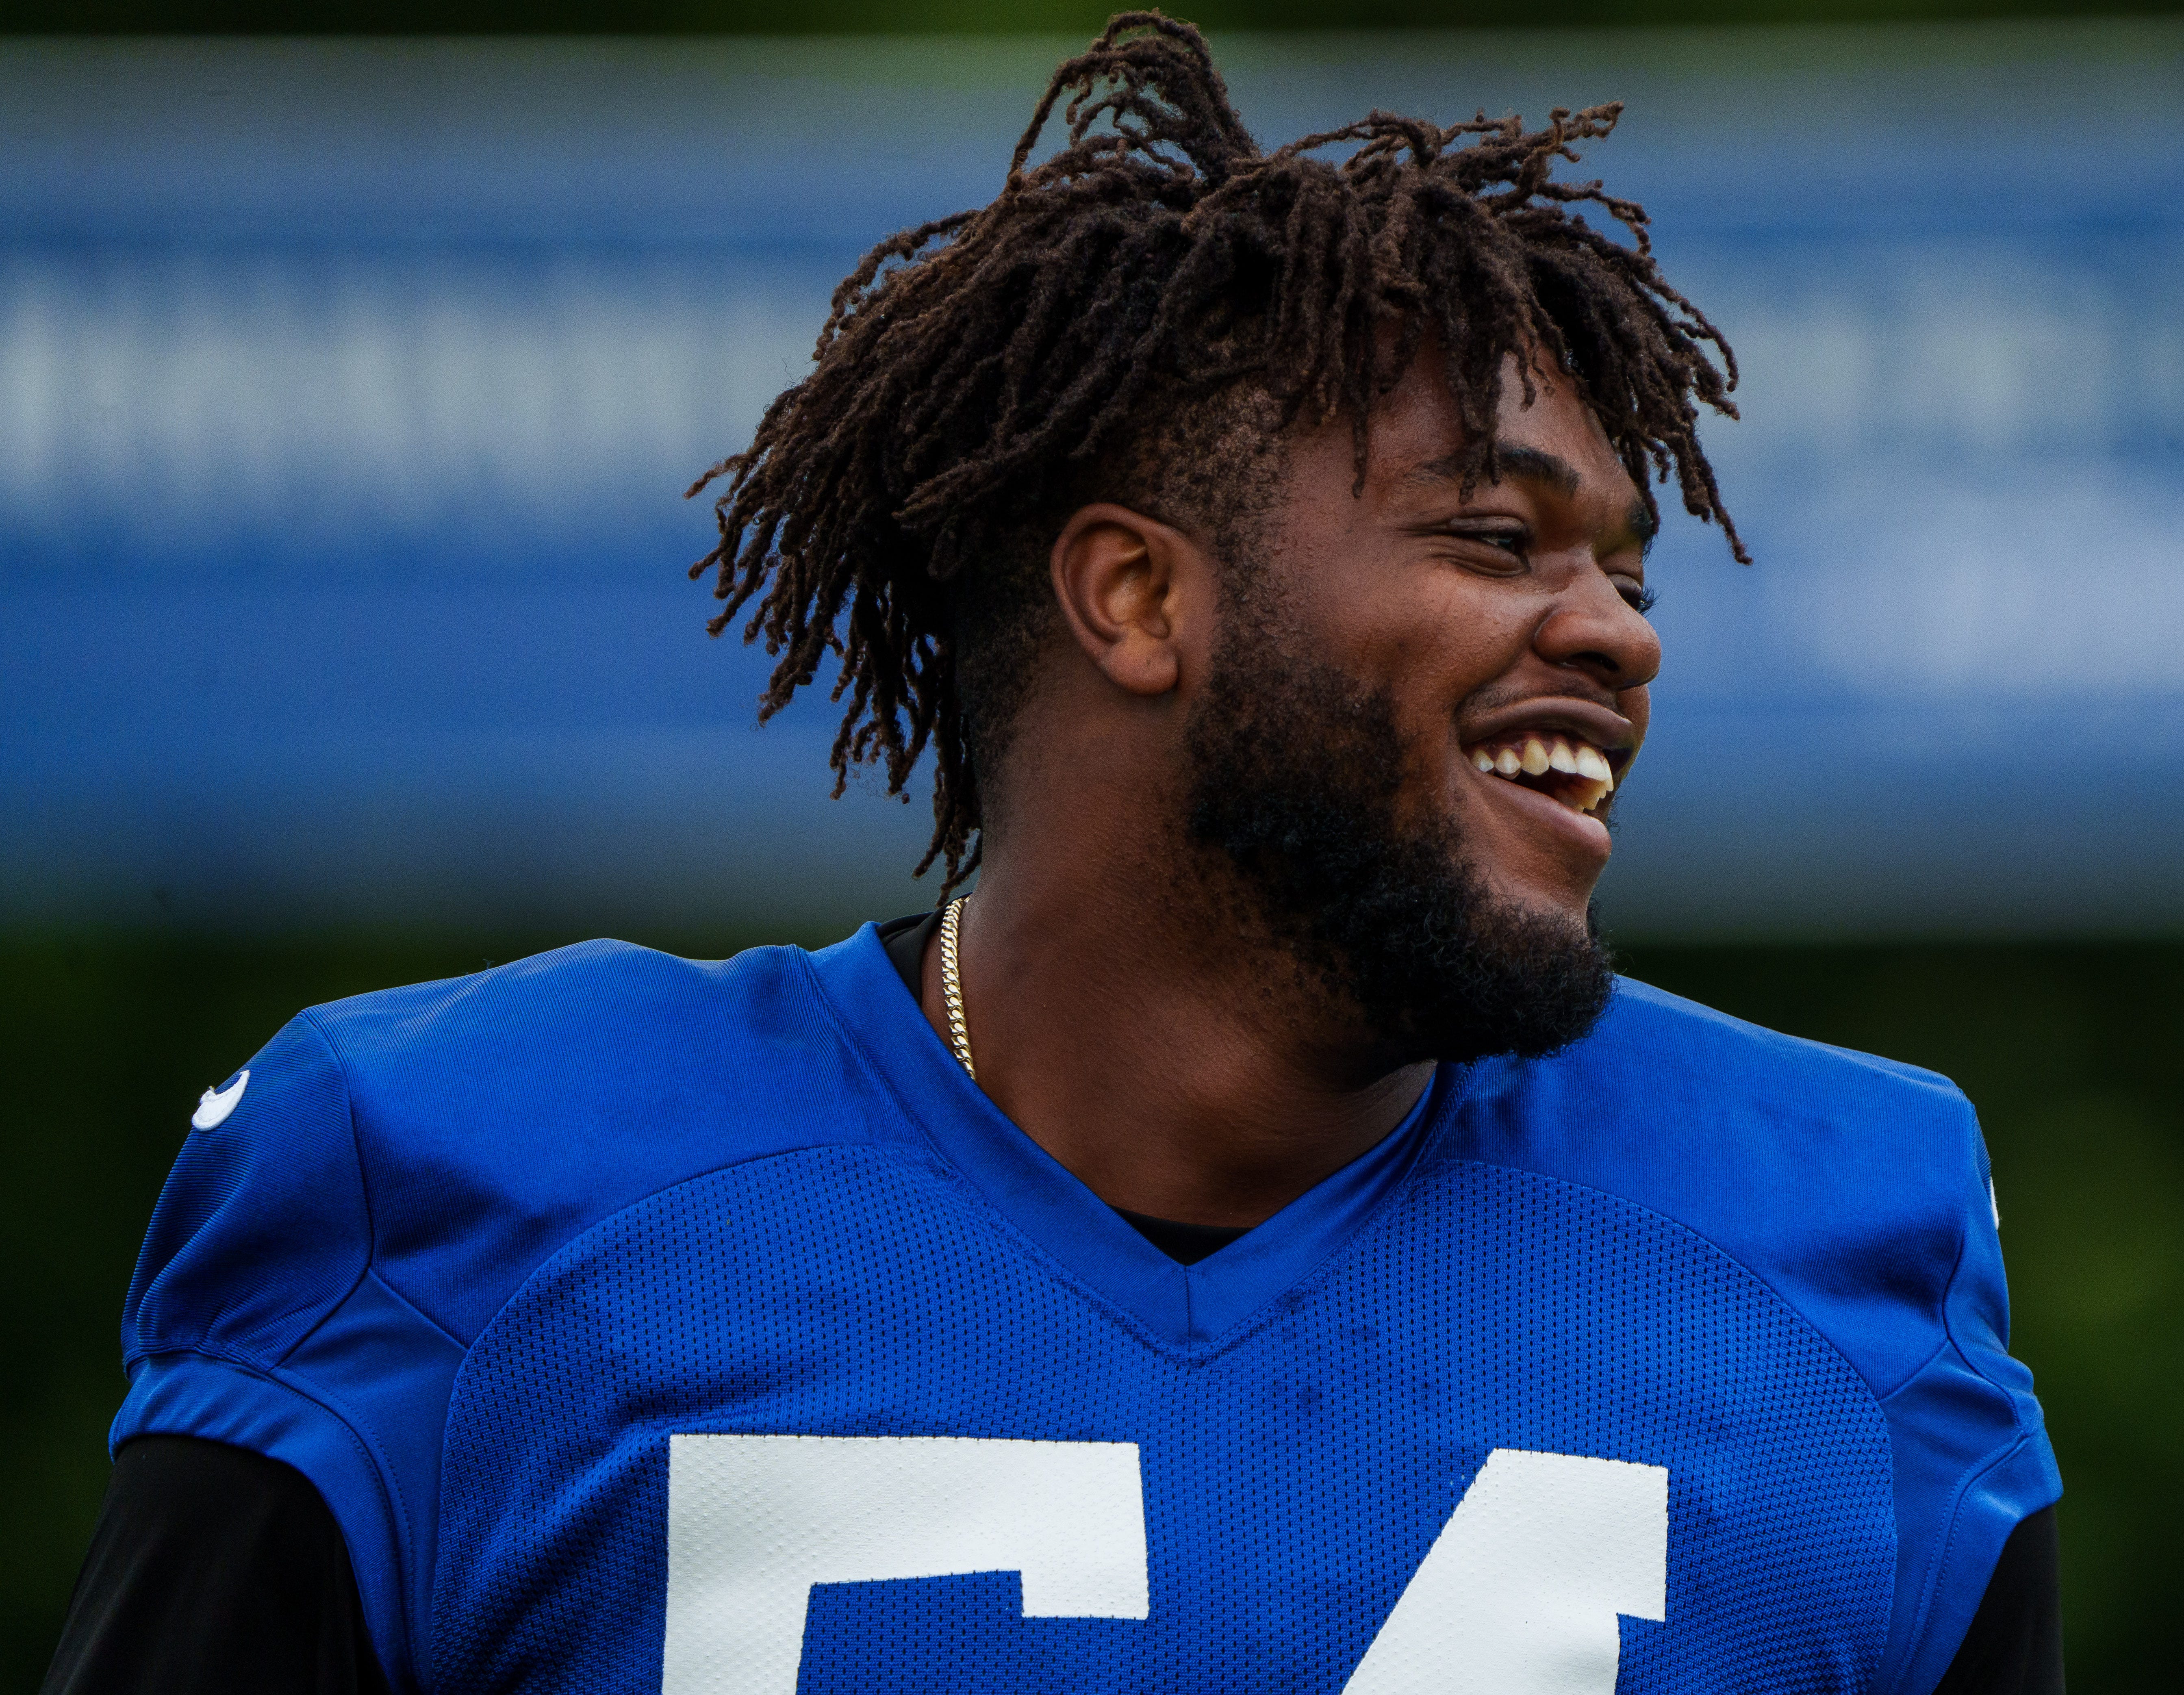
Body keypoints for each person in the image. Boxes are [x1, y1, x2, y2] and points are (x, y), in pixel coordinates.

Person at [43, 15, 2061, 1693]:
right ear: (1136, 598)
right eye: (1494, 535)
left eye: (1625, 565)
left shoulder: (1836, 1246)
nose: (1620, 630)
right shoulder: (460, 1188)